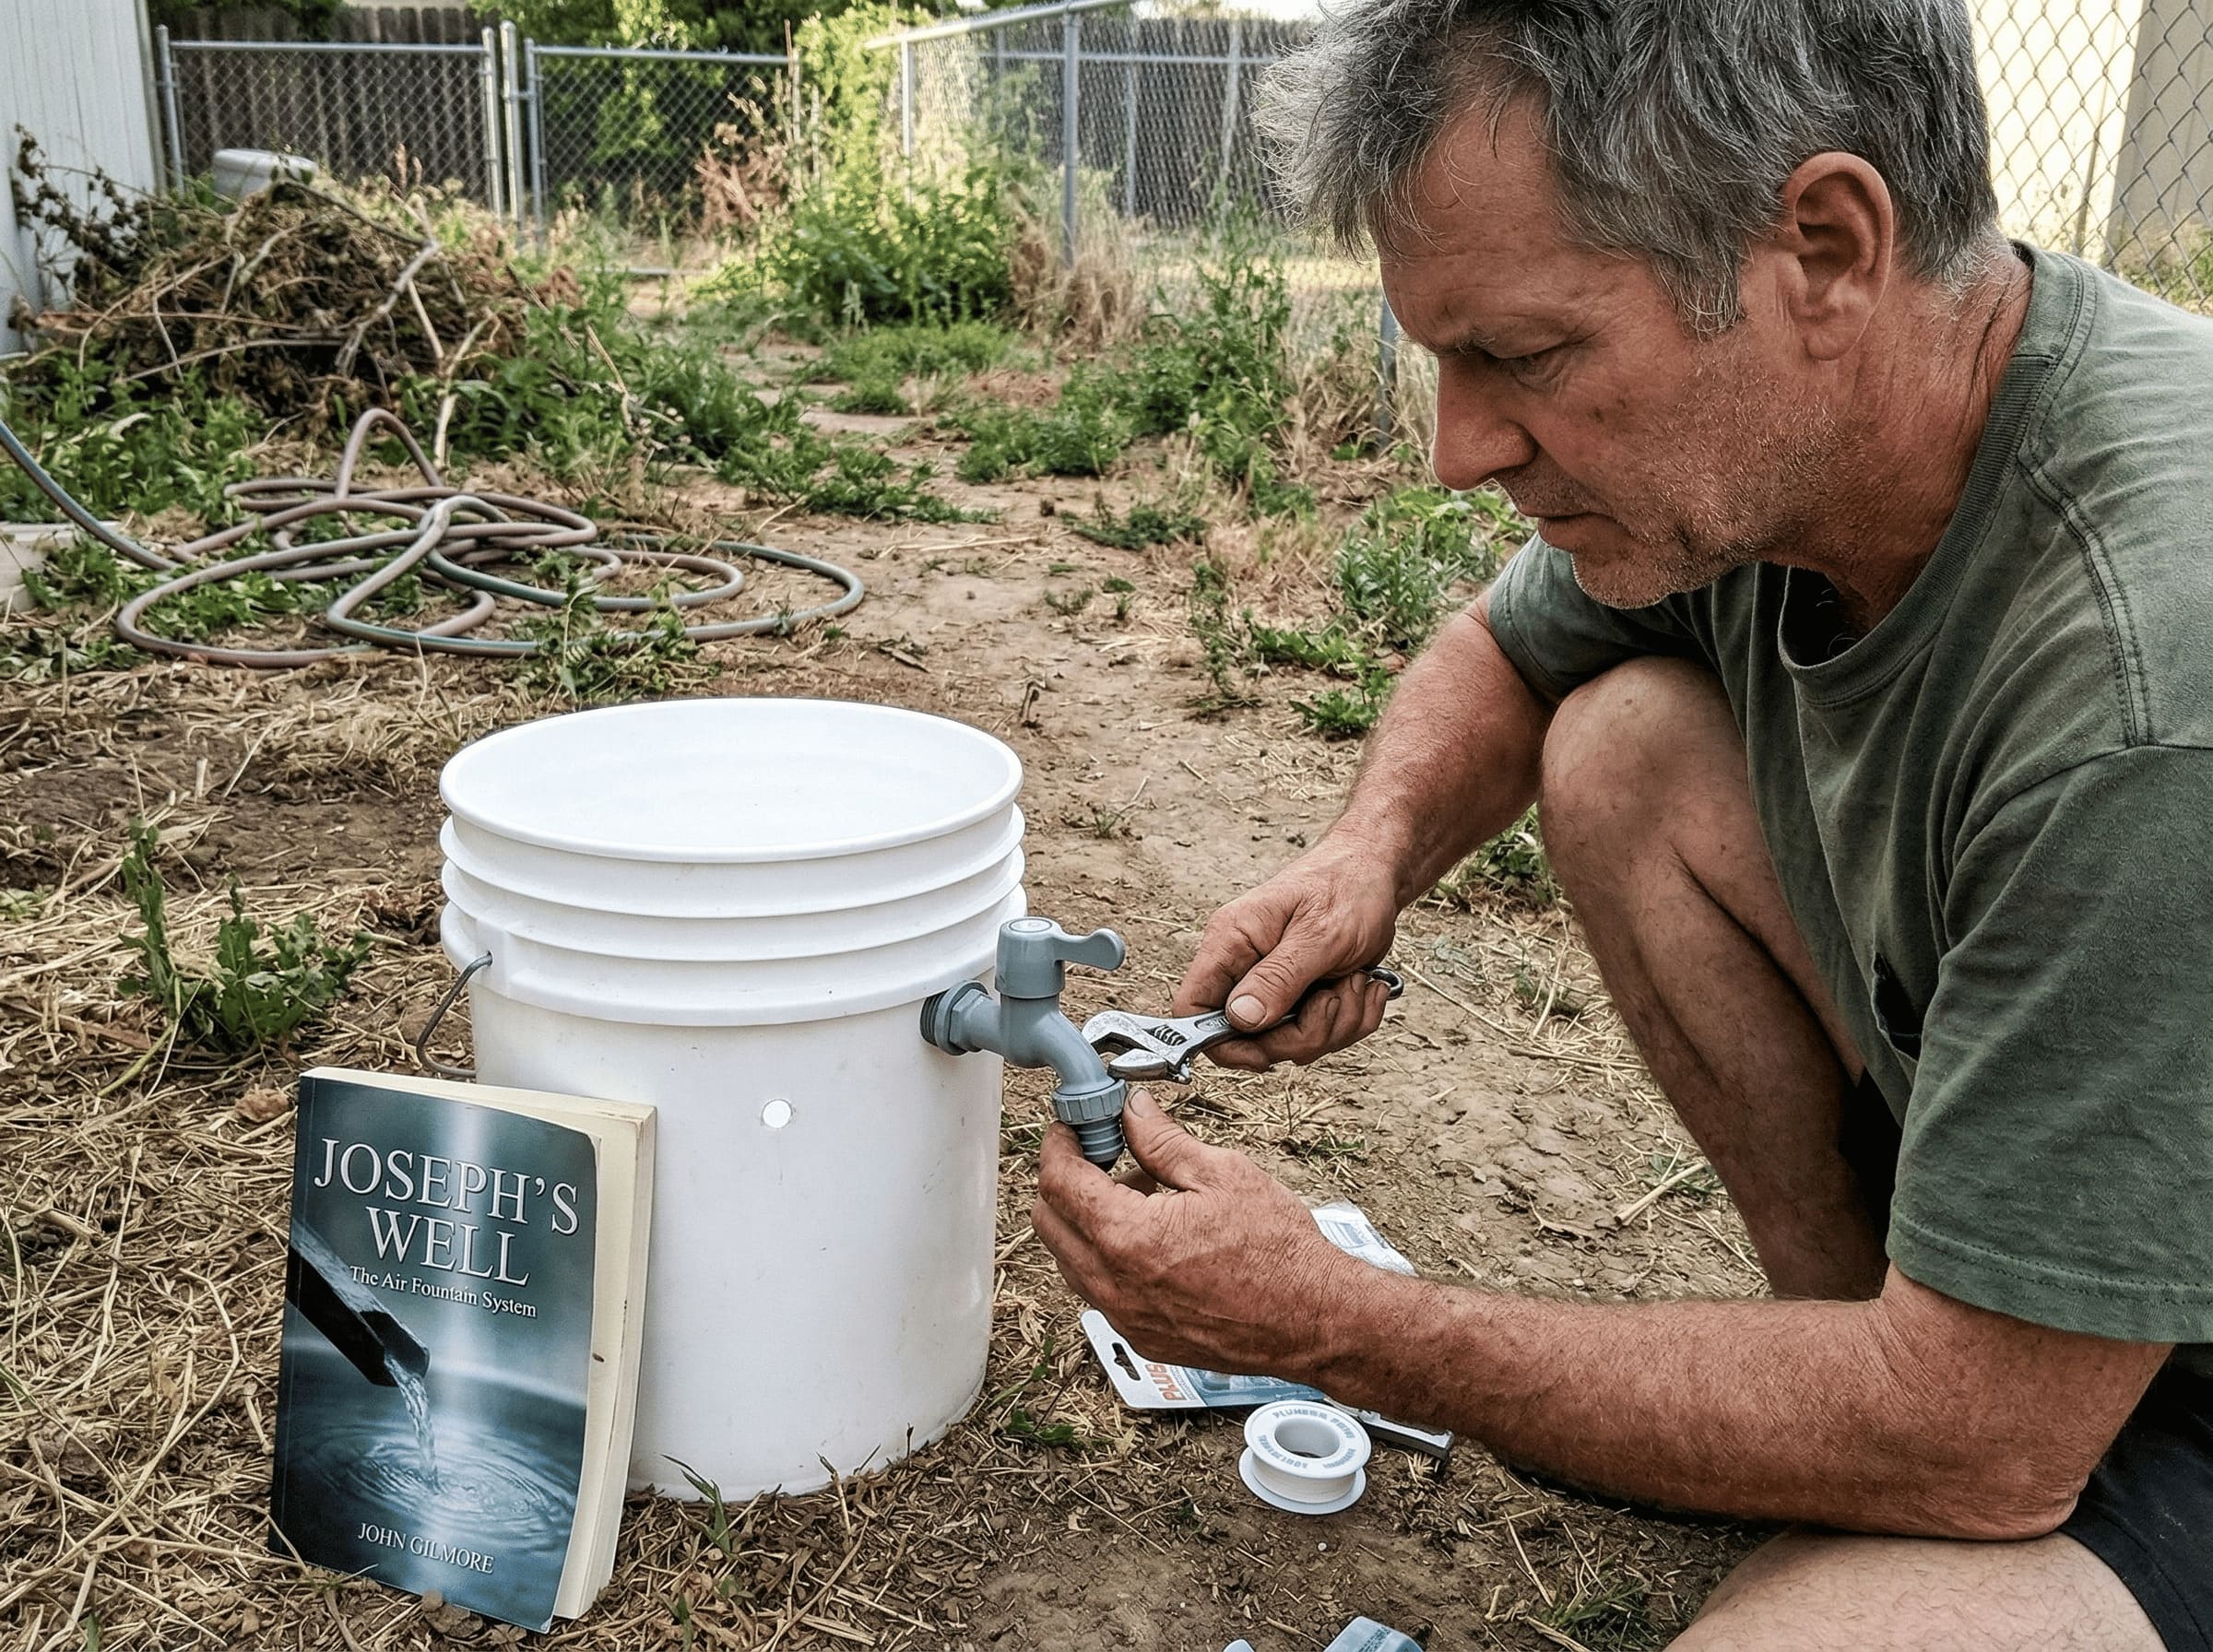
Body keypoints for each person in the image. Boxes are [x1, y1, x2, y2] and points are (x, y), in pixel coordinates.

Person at [1027, 2, 2213, 1646]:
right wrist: (1368, 854)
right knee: (1625, 744)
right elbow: (1505, 654)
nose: (1456, 451)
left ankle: (1893, 1428)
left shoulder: (2153, 679)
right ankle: (1859, 1362)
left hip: (2151, 1391)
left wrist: (1340, 1322)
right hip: (2044, 1306)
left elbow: (1994, 1442)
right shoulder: (1798, 442)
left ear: (1826, 245)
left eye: (1522, 355)